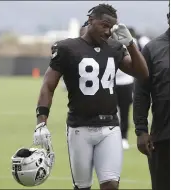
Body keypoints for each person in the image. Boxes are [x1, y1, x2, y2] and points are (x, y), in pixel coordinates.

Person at [33, 4, 148, 190]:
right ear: (91, 20)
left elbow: (142, 73)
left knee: (111, 185)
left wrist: (131, 45)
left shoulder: (115, 48)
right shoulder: (67, 48)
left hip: (110, 127)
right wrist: (41, 121)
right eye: (104, 25)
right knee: (82, 186)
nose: (108, 31)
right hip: (80, 128)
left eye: (111, 27)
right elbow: (48, 85)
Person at [133, 7, 170, 190]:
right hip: (164, 136)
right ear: (169, 17)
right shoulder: (153, 49)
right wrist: (141, 130)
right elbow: (141, 92)